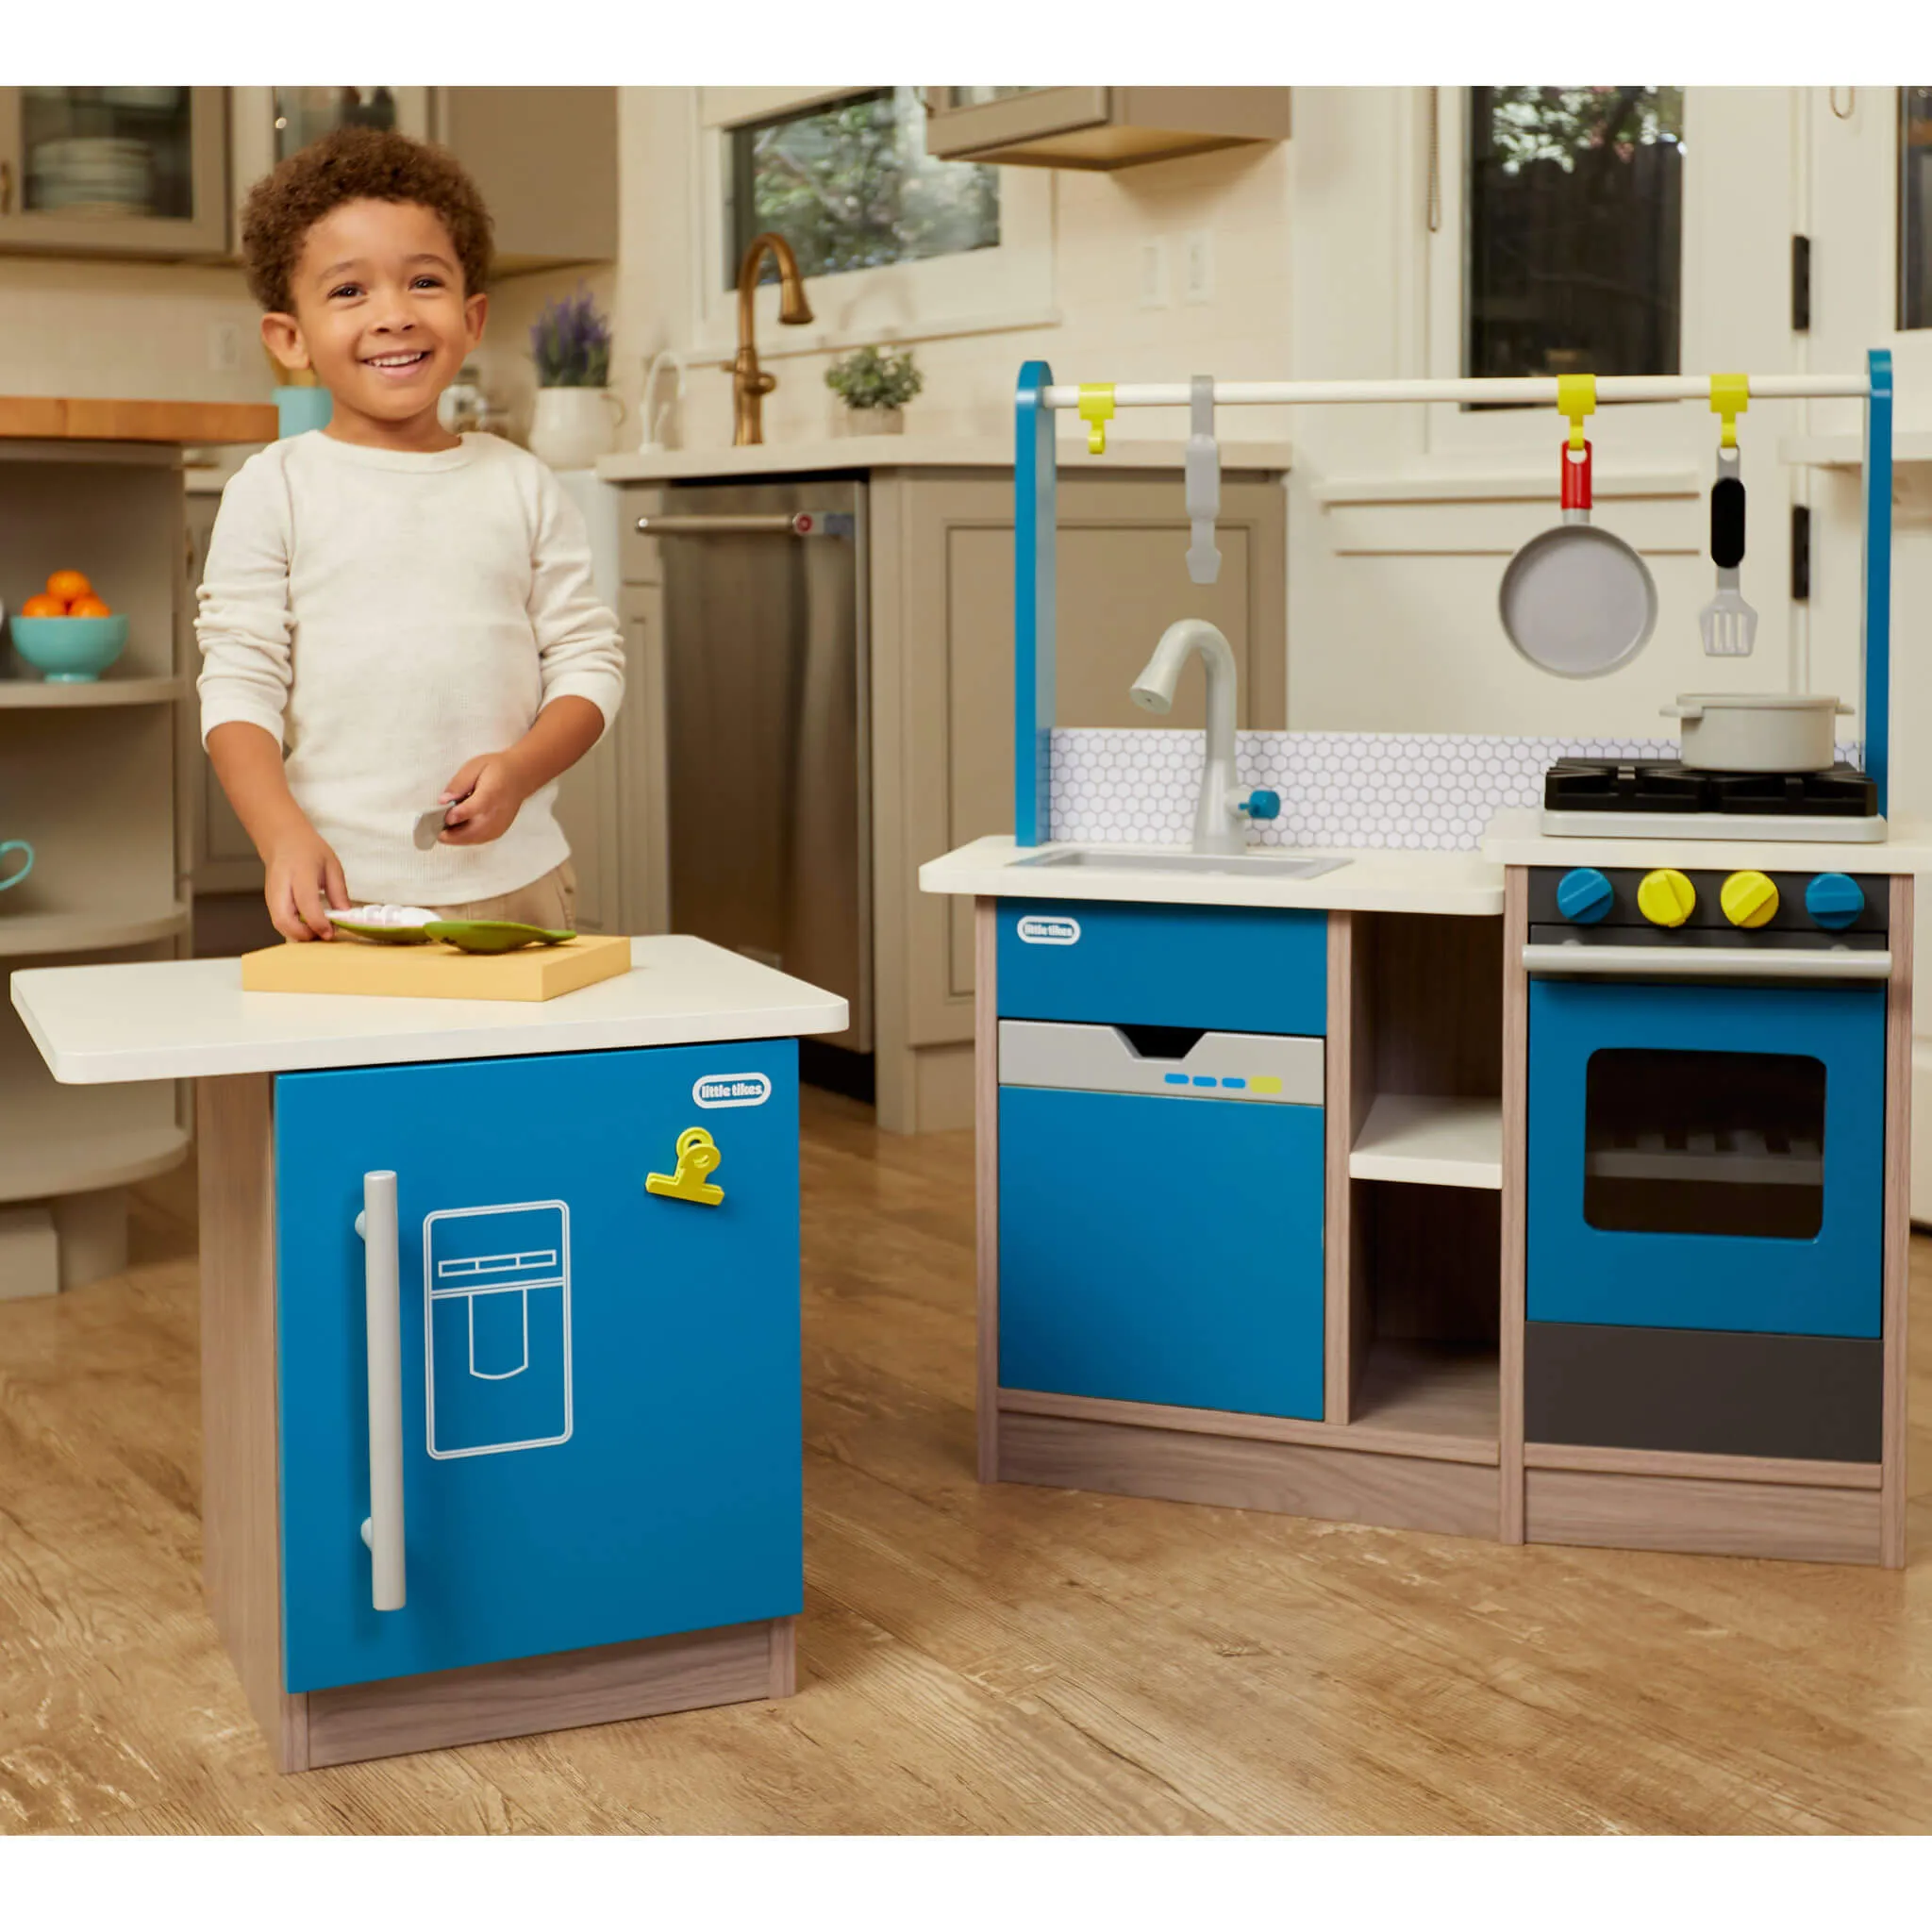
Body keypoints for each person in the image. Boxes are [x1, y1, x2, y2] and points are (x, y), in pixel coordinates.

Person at [196, 125, 625, 942]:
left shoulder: (522, 483)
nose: (393, 315)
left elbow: (588, 663)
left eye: (423, 282)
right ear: (290, 338)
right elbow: (238, 685)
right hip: (343, 891)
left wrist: (522, 768)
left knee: (520, 1075)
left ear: (471, 317)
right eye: (349, 292)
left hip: (522, 885)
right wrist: (281, 833)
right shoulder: (273, 489)